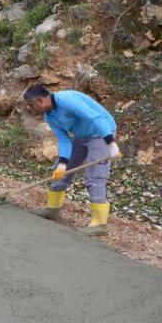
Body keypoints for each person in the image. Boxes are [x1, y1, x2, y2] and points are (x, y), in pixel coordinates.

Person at [23, 85, 121, 236]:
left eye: (31, 105)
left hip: (101, 134)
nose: (31, 108)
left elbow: (95, 117)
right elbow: (63, 139)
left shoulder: (67, 99)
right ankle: (53, 209)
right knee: (60, 171)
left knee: (94, 177)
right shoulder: (50, 116)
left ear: (39, 100)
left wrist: (110, 143)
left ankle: (99, 224)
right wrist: (62, 164)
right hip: (81, 137)